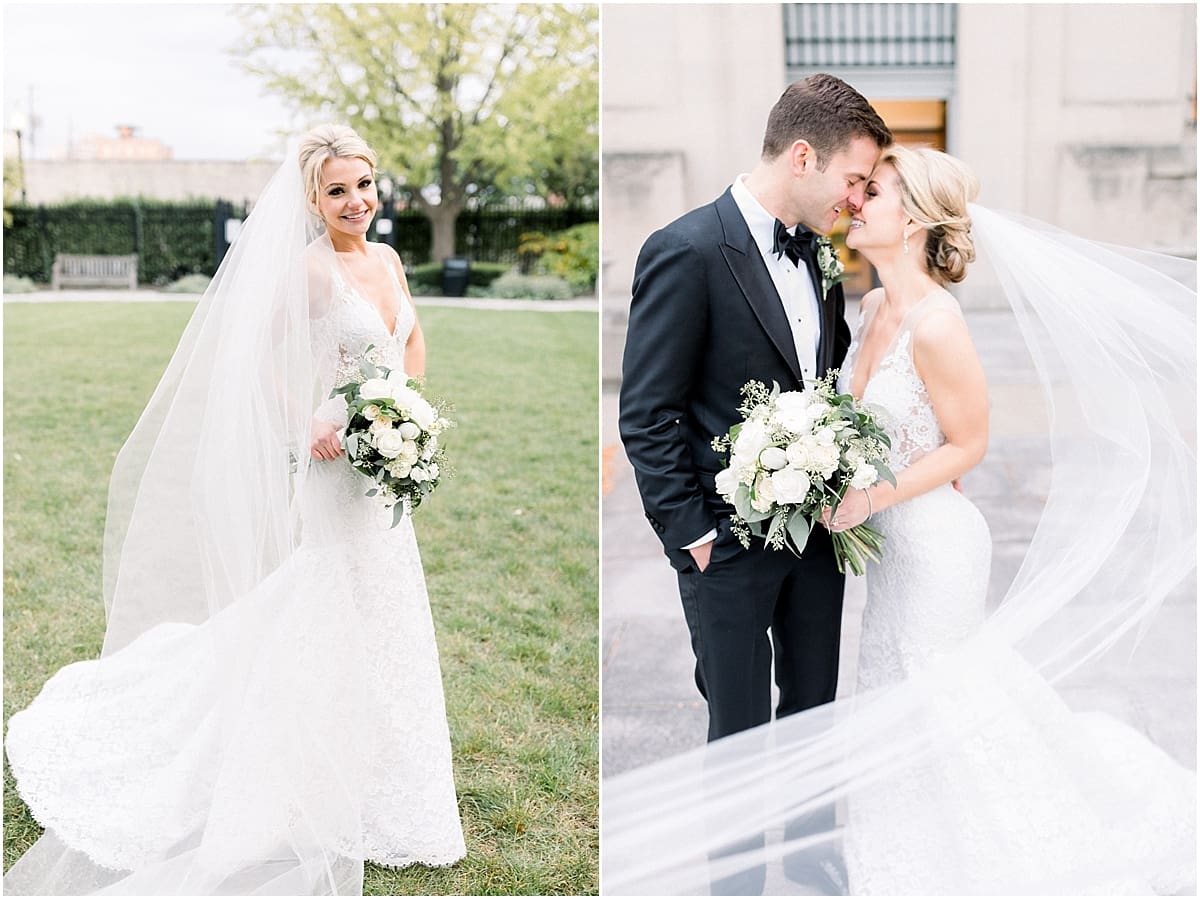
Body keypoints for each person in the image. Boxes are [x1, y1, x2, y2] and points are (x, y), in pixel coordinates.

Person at [603, 146, 1196, 894]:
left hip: (932, 546)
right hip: (871, 546)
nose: (854, 202)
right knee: (888, 688)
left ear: (912, 219)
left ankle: (990, 836)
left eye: (872, 190)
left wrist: (873, 498)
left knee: (940, 689)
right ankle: (881, 839)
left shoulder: (939, 324)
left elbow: (969, 444)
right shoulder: (868, 305)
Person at [4, 124, 466, 895]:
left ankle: (388, 773)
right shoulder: (312, 272)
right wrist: (308, 422)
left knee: (386, 606)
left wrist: (406, 411)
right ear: (313, 200)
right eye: (337, 190)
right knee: (329, 600)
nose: (356, 200)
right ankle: (300, 761)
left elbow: (408, 344)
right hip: (336, 466)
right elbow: (253, 355)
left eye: (364, 184)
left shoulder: (387, 259)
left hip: (386, 460)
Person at [618, 73, 891, 895]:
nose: (857, 200)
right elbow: (648, 412)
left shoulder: (820, 254)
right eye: (854, 179)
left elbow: (823, 382)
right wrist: (695, 539)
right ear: (803, 157)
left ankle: (812, 863)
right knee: (736, 727)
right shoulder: (687, 249)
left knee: (815, 708)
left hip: (817, 539)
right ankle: (736, 882)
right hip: (726, 548)